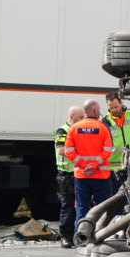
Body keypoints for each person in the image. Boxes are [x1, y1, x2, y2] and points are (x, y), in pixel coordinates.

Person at [64, 99, 114, 221]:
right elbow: (108, 150)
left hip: (82, 175)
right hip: (101, 175)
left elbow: (69, 151)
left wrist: (84, 165)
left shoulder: (74, 128)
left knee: (81, 208)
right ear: (95, 110)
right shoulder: (103, 127)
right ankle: (100, 236)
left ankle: (80, 237)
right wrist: (94, 166)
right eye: (99, 110)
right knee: (102, 209)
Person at [53, 105, 83, 247]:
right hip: (66, 174)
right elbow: (62, 150)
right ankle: (65, 236)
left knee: (82, 205)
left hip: (79, 173)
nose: (83, 120)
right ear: (72, 117)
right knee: (68, 206)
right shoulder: (62, 130)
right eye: (80, 117)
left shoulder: (79, 130)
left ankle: (79, 234)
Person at [103, 92, 130, 200]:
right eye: (111, 108)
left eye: (116, 107)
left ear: (122, 103)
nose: (114, 110)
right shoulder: (105, 121)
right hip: (115, 168)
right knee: (117, 198)